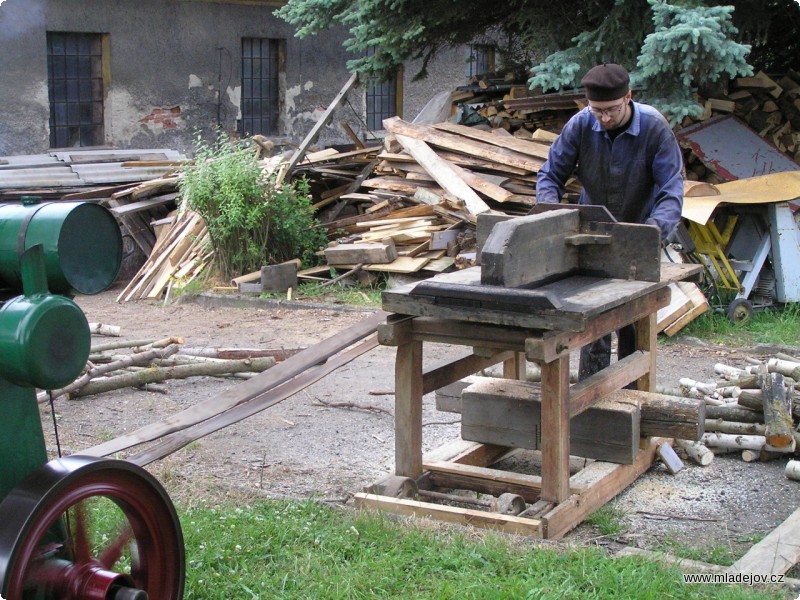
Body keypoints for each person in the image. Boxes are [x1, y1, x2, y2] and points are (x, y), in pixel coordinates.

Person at [535, 62, 684, 381]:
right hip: (593, 233)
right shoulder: (580, 124)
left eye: (612, 110)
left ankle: (631, 396)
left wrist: (654, 230)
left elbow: (671, 188)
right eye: (597, 110)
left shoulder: (654, 127)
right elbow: (550, 175)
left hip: (639, 231)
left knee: (633, 319)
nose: (604, 117)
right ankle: (592, 394)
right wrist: (549, 215)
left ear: (628, 97)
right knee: (593, 320)